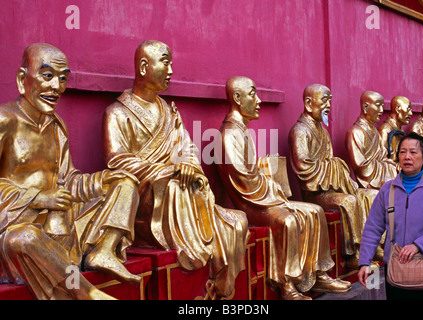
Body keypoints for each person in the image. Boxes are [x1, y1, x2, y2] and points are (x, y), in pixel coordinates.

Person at [102, 40, 249, 298]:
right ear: (144, 66)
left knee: (233, 220)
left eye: (172, 63)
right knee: (174, 189)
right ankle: (197, 257)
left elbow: (189, 150)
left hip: (181, 190)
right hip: (149, 196)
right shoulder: (117, 113)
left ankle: (218, 280)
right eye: (166, 62)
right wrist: (166, 171)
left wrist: (188, 165)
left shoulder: (170, 113)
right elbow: (117, 161)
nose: (171, 70)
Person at [0, 43, 141, 300]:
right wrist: (37, 198)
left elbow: (67, 181)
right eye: (47, 75)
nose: (56, 87)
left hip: (59, 219)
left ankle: (104, 250)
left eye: (63, 78)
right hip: (16, 226)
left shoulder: (56, 126)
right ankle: (89, 294)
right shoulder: (4, 121)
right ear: (23, 79)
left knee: (125, 182)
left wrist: (102, 181)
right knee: (26, 238)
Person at [217, 76, 351, 300]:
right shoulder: (229, 134)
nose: (259, 100)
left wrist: (267, 176)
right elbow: (244, 182)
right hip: (252, 204)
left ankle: (319, 274)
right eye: (253, 94)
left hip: (265, 197)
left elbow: (251, 173)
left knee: (315, 211)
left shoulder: (241, 131)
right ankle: (287, 284)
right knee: (287, 221)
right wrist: (273, 186)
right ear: (238, 98)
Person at [288, 84, 378, 267]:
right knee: (349, 201)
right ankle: (352, 254)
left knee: (368, 194)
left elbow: (328, 160)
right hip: (316, 192)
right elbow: (304, 167)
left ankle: (371, 245)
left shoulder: (322, 131)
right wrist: (335, 167)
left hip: (332, 186)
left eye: (330, 100)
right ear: (308, 103)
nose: (329, 105)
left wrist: (334, 168)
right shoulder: (300, 131)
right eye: (324, 100)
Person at [358, 132, 423, 300]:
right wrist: (365, 261)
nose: (407, 157)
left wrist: (418, 245)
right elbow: (372, 228)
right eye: (402, 152)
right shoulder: (387, 190)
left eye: (413, 152)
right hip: (395, 269)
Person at [345, 91, 398, 190]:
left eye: (382, 106)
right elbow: (361, 167)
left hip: (382, 175)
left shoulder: (376, 133)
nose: (381, 110)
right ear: (365, 107)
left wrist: (394, 166)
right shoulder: (354, 132)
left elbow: (383, 157)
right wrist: (389, 169)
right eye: (378, 106)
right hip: (371, 182)